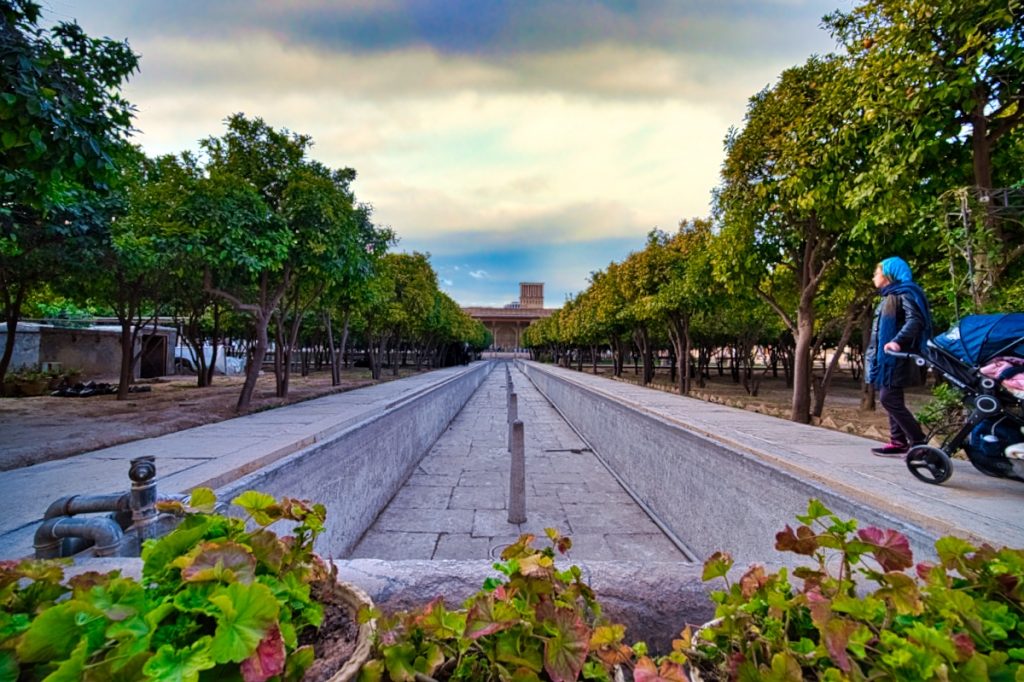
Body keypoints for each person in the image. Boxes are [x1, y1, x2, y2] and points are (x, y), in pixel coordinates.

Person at [865, 256, 933, 457]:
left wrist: (897, 340)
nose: (873, 277)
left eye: (876, 273)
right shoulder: (890, 296)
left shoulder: (905, 294)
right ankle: (898, 441)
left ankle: (919, 442)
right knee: (891, 397)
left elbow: (916, 320)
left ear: (888, 275)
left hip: (898, 357)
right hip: (887, 358)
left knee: (889, 398)